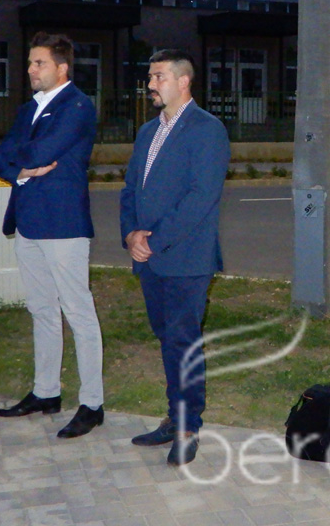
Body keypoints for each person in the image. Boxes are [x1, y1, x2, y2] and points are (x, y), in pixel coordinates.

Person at [0, 32, 104, 439]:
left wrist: (20, 160)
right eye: (30, 62)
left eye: (39, 63)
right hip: (28, 222)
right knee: (41, 309)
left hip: (63, 224)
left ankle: (92, 404)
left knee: (78, 312)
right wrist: (21, 170)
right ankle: (46, 392)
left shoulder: (78, 106)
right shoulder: (28, 109)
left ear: (62, 68)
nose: (30, 69)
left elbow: (40, 152)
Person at [120, 49, 230, 466]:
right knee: (167, 339)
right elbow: (130, 189)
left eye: (159, 77)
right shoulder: (148, 131)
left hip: (186, 258)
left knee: (183, 343)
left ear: (183, 81)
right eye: (150, 77)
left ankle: (187, 428)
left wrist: (155, 240)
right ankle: (173, 417)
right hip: (149, 257)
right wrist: (130, 234)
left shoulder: (207, 130)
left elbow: (202, 197)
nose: (151, 84)